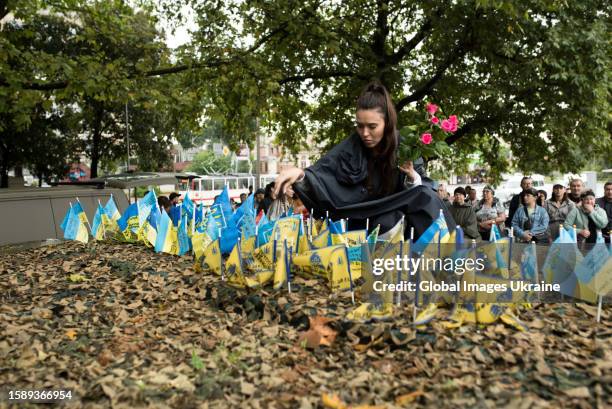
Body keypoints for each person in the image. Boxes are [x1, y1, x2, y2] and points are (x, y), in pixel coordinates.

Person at [272, 81, 455, 238]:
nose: (365, 134)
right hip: (361, 222)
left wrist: (411, 177)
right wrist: (301, 175)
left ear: (387, 123)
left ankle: (447, 263)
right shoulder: (349, 147)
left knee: (424, 196)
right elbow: (322, 173)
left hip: (401, 222)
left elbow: (424, 190)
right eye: (360, 126)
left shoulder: (405, 146)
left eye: (372, 126)